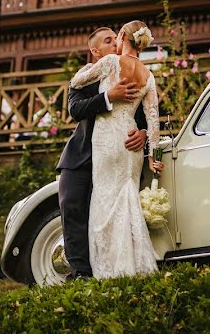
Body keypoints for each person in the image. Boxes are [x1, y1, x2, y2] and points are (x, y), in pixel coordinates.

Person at [68, 20, 164, 279]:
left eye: (115, 37)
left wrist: (143, 134)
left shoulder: (109, 64)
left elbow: (76, 81)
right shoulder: (148, 75)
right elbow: (154, 120)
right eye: (106, 40)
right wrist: (154, 158)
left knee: (105, 203)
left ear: (123, 36)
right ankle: (134, 264)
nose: (114, 42)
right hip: (125, 145)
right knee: (127, 197)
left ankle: (109, 269)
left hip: (108, 142)